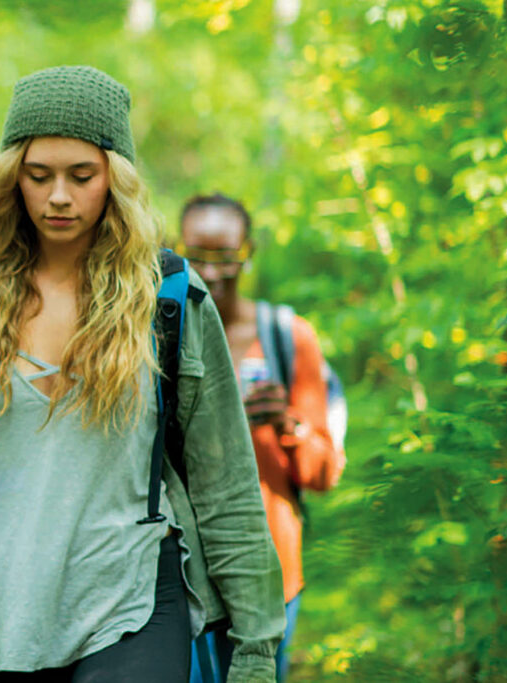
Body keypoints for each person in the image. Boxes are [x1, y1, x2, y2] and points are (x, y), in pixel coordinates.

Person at [0, 66, 285, 682]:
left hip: (129, 601)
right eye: (38, 175)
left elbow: (226, 485)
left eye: (82, 176)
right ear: (11, 178)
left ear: (115, 178)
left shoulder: (167, 298)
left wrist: (256, 647)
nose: (59, 196)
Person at [180, 193, 346, 681]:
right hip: (181, 575)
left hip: (272, 572)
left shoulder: (288, 337)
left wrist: (288, 425)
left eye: (225, 256)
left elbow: (324, 471)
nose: (211, 272)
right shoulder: (163, 331)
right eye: (197, 256)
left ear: (248, 252)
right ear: (175, 250)